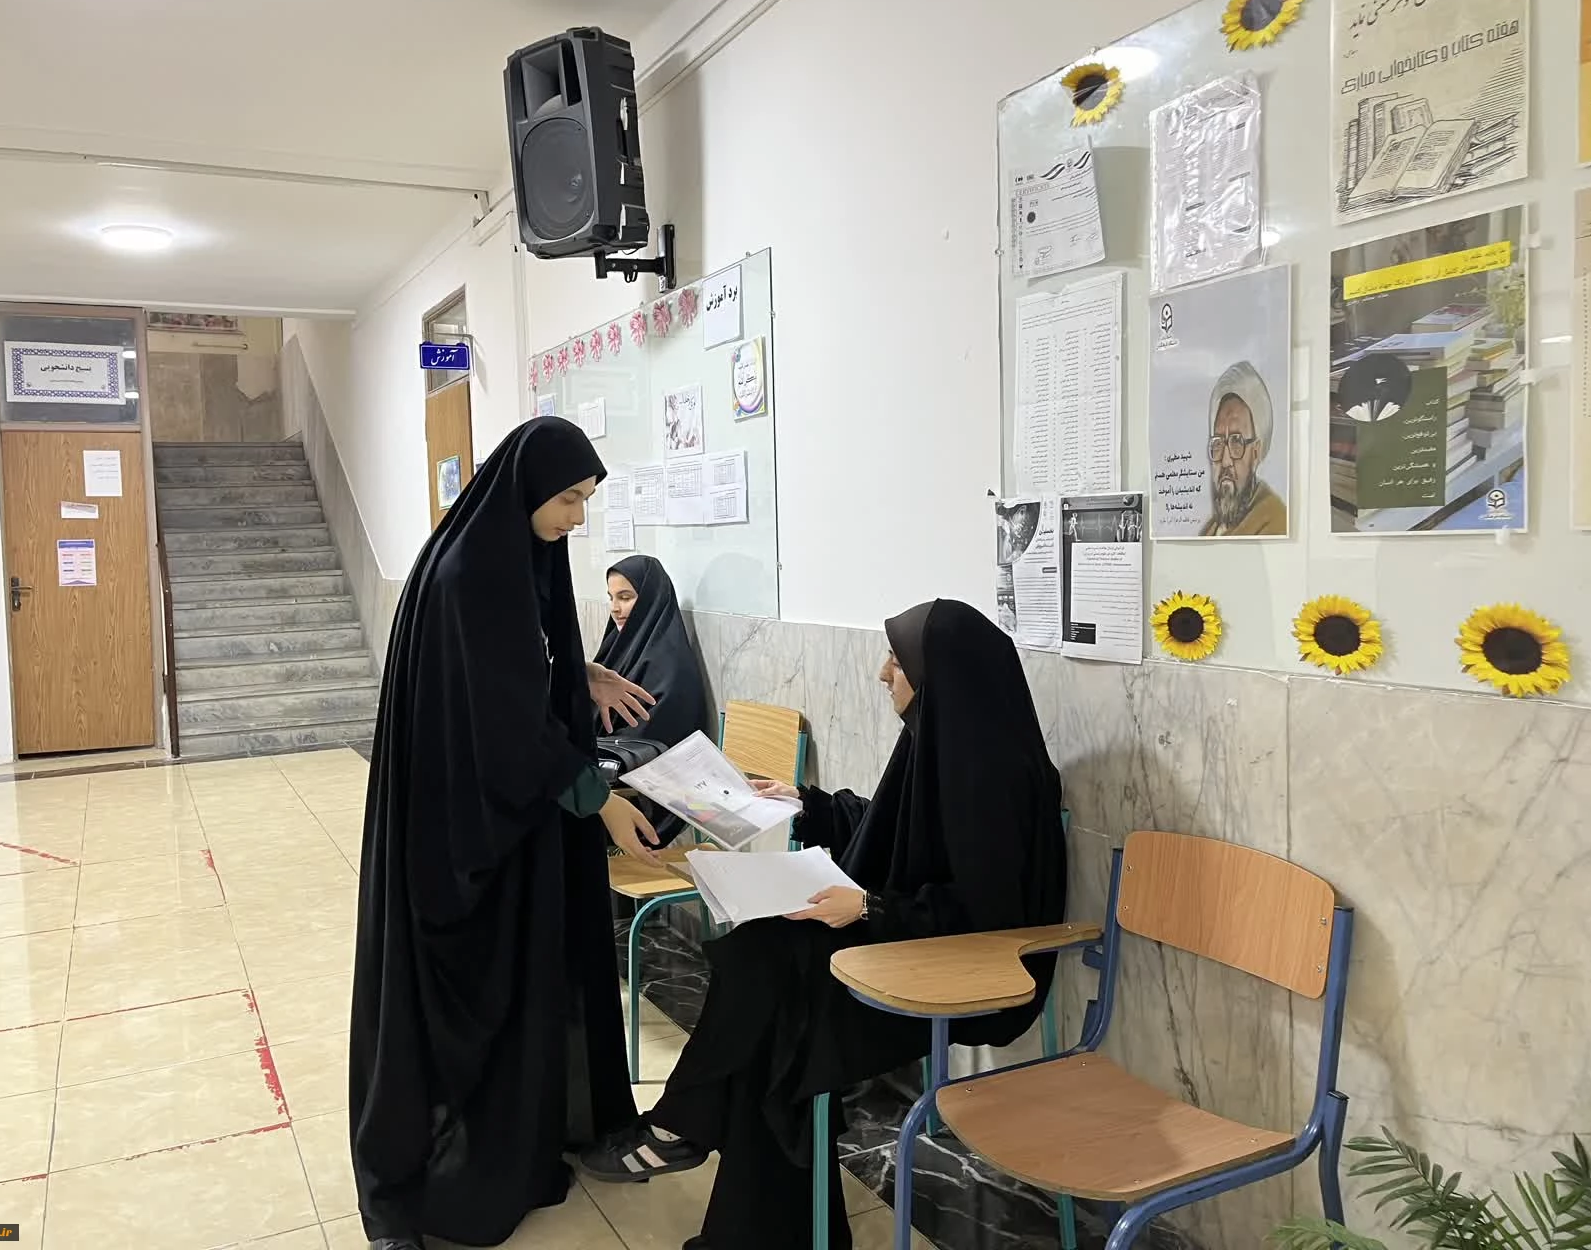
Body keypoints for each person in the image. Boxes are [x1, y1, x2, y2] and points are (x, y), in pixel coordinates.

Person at [579, 599, 1067, 1249]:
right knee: (769, 1005)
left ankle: (685, 1125)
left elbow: (988, 916)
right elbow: (892, 827)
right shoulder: (946, 739)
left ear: (940, 675)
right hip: (908, 941)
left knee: (771, 996)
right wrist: (804, 803)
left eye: (898, 662)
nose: (882, 673)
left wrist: (868, 908)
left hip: (963, 973)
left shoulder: (992, 775)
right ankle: (696, 1143)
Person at [350, 417, 667, 1250]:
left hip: (492, 814)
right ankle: (441, 1175)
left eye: (586, 499)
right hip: (462, 831)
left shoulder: (493, 555)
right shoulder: (472, 575)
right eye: (567, 499)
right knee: (467, 996)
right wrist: (598, 799)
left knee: (519, 986)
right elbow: (502, 722)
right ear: (525, 489)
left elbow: (507, 666)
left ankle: (515, 1144)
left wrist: (578, 671)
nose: (577, 517)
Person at [596, 556, 708, 843]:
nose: (615, 608)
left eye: (625, 597)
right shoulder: (620, 647)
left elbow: (652, 743)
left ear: (650, 600)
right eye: (611, 598)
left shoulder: (668, 665)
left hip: (646, 796)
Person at [1201, 360, 1287, 537]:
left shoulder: (1274, 521)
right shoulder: (1210, 529)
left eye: (1236, 442)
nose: (1225, 461)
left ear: (1255, 452)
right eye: (1218, 443)